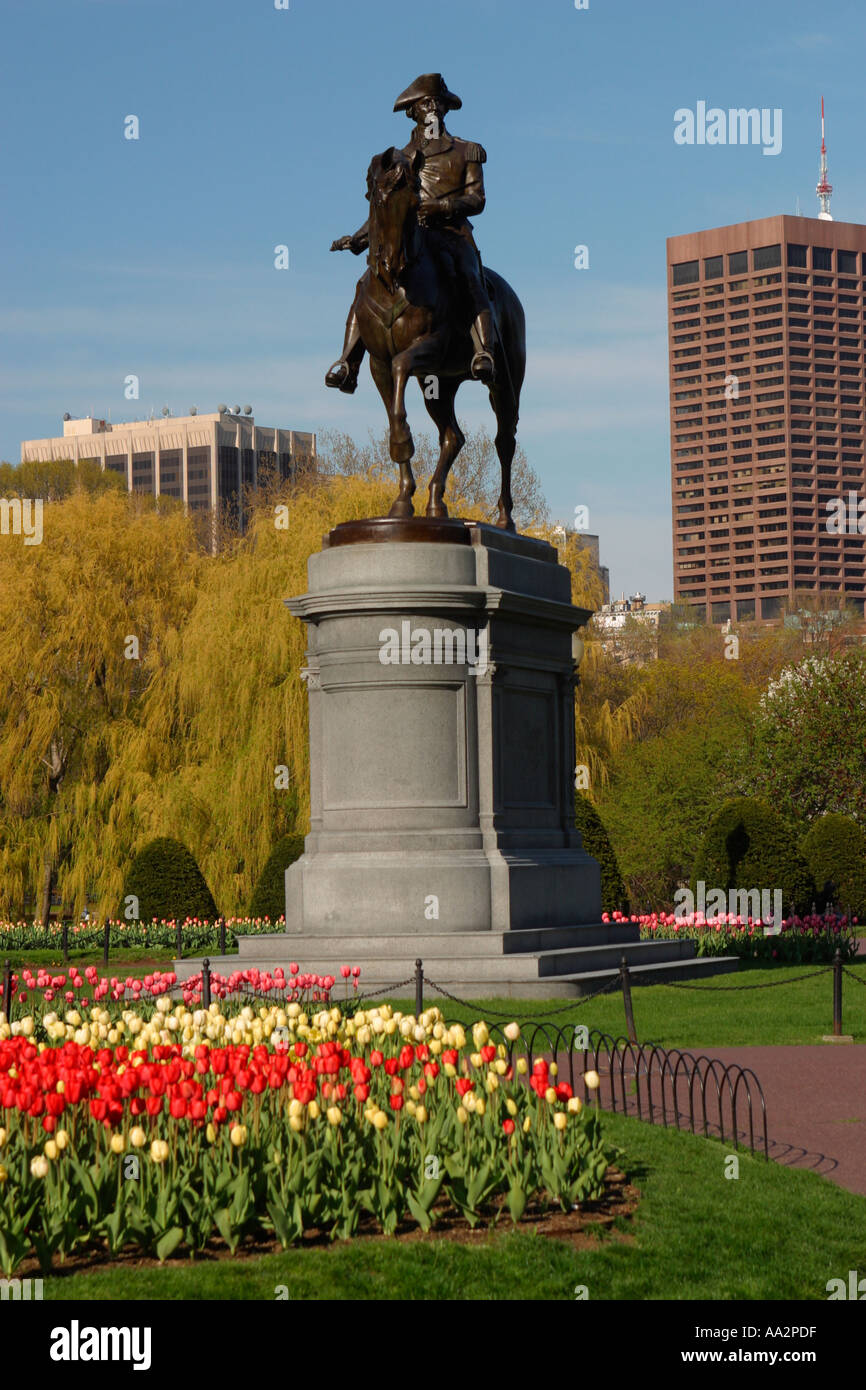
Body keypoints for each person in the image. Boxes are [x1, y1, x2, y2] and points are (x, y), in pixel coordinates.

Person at [325, 72, 497, 392]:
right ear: (412, 112)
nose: (431, 108)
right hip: (411, 235)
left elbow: (477, 199)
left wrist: (442, 208)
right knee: (366, 283)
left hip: (452, 234)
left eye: (437, 102)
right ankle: (348, 362)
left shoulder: (467, 150)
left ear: (446, 109)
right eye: (424, 103)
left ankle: (483, 352)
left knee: (469, 274)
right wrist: (360, 238)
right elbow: (385, 212)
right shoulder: (397, 162)